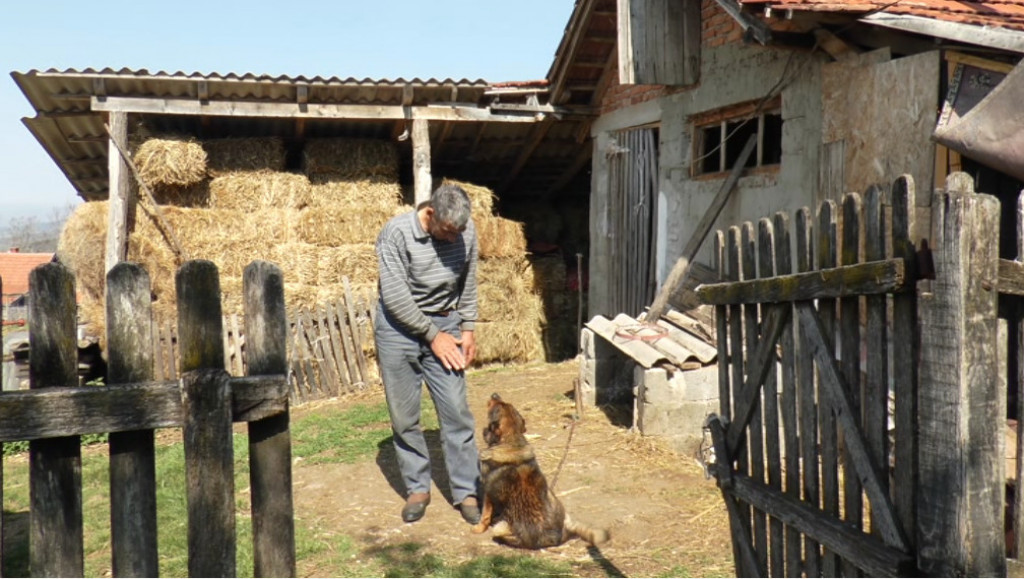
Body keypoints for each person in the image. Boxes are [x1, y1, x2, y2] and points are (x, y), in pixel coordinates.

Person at [373, 183, 481, 525]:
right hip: (398, 330)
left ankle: (467, 491)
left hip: (445, 324)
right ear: (430, 214)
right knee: (405, 416)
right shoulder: (395, 233)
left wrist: (467, 328)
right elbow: (395, 296)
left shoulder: (464, 231)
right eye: (448, 231)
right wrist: (433, 337)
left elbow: (469, 280)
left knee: (456, 412)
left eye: (459, 231)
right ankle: (418, 488)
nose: (454, 238)